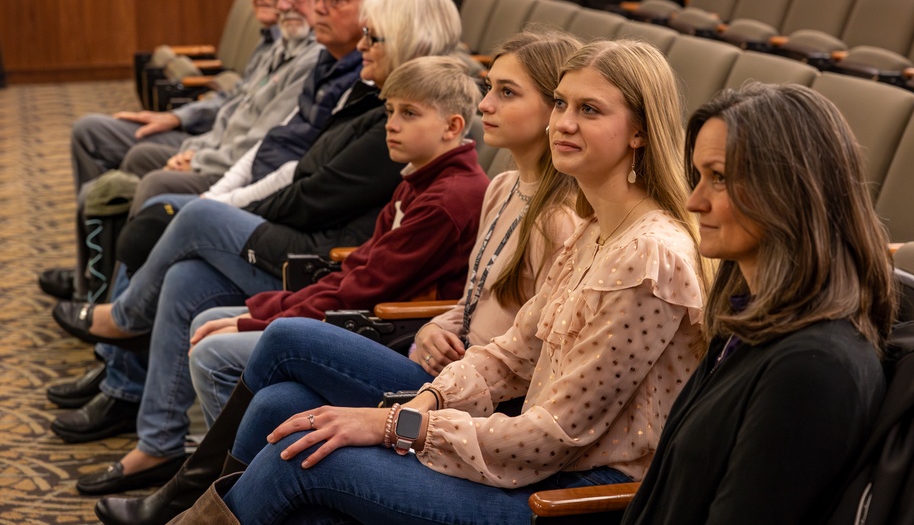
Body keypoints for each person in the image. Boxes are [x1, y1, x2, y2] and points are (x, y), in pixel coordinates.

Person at [172, 39, 708, 524]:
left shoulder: (648, 257)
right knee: (295, 436)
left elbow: (554, 435)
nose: (562, 122)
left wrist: (393, 426)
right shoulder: (596, 229)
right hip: (536, 463)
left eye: (589, 110)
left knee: (306, 464)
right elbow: (510, 354)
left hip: (576, 494)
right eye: (562, 103)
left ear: (640, 130)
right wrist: (425, 401)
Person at [94, 28, 585, 525]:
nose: (487, 105)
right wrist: (438, 326)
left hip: (477, 399)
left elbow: (531, 351)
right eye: (489, 87)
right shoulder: (503, 187)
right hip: (446, 366)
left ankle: (188, 498)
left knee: (285, 336)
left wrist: (439, 366)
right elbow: (476, 298)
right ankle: (201, 504)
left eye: (507, 92)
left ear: (553, 110)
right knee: (277, 403)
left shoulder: (560, 219)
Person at [50, 0, 463, 497]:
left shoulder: (418, 156)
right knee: (184, 276)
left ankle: (208, 479)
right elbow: (284, 150)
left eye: (371, 35)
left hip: (320, 257)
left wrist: (254, 294)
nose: (361, 44)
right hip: (329, 262)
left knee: (193, 218)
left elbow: (325, 209)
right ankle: (157, 441)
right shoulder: (371, 103)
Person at [620, 83, 899, 525]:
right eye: (698, 177)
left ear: (790, 191)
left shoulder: (813, 367)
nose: (694, 202)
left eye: (720, 178)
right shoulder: (746, 322)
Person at [41, 0, 330, 305]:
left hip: (234, 168)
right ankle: (103, 283)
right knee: (104, 143)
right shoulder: (281, 41)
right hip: (213, 147)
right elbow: (233, 102)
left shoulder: (313, 54)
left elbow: (265, 143)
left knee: (153, 178)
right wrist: (181, 124)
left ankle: (120, 304)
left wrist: (196, 156)